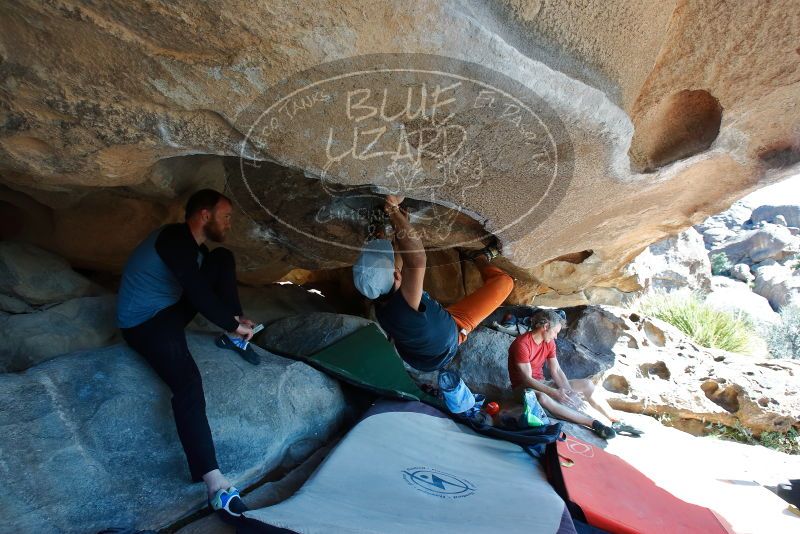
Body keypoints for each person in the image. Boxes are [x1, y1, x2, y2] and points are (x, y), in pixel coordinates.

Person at [116, 189, 258, 520]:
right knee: (188, 384)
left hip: (169, 310)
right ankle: (215, 485)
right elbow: (194, 289)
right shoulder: (173, 239)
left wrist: (233, 321)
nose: (229, 224)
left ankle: (233, 334)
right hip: (144, 322)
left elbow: (203, 289)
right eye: (226, 216)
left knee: (223, 258)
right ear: (204, 215)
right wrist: (228, 321)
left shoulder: (199, 250)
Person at [353, 194, 514, 372]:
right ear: (397, 276)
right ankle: (480, 258)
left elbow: (400, 258)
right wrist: (392, 209)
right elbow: (417, 260)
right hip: (450, 338)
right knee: (504, 282)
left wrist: (399, 225)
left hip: (421, 351)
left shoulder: (379, 299)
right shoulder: (405, 304)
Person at [506, 309, 642, 439]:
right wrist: (555, 393)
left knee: (587, 384)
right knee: (542, 397)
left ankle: (615, 420)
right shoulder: (522, 344)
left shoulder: (549, 343)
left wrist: (568, 392)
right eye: (555, 332)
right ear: (545, 327)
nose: (556, 336)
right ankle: (593, 423)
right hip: (523, 389)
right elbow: (527, 380)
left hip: (542, 383)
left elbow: (556, 370)